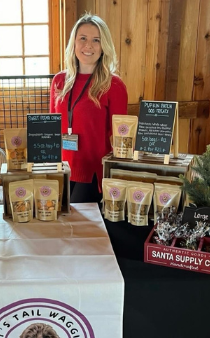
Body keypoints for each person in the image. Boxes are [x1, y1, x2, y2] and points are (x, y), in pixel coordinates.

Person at [50, 13, 128, 204]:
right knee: (56, 223)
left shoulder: (114, 85)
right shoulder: (59, 81)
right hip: (62, 168)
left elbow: (119, 135)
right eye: (83, 38)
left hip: (92, 172)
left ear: (104, 46)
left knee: (77, 227)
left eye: (96, 40)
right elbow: (53, 126)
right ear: (74, 43)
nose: (88, 46)